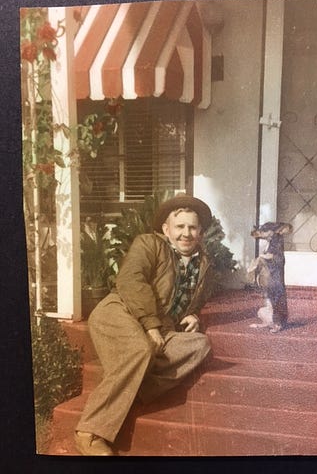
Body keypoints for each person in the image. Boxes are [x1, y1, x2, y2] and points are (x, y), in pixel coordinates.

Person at [74, 193, 215, 456]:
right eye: (180, 226)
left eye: (192, 227)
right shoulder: (149, 244)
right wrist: (150, 326)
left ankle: (130, 391)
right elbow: (131, 281)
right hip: (120, 312)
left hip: (161, 328)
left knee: (199, 345)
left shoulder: (203, 264)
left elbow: (198, 297)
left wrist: (194, 314)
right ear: (166, 229)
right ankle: (89, 433)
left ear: (201, 232)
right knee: (141, 350)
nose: (186, 233)